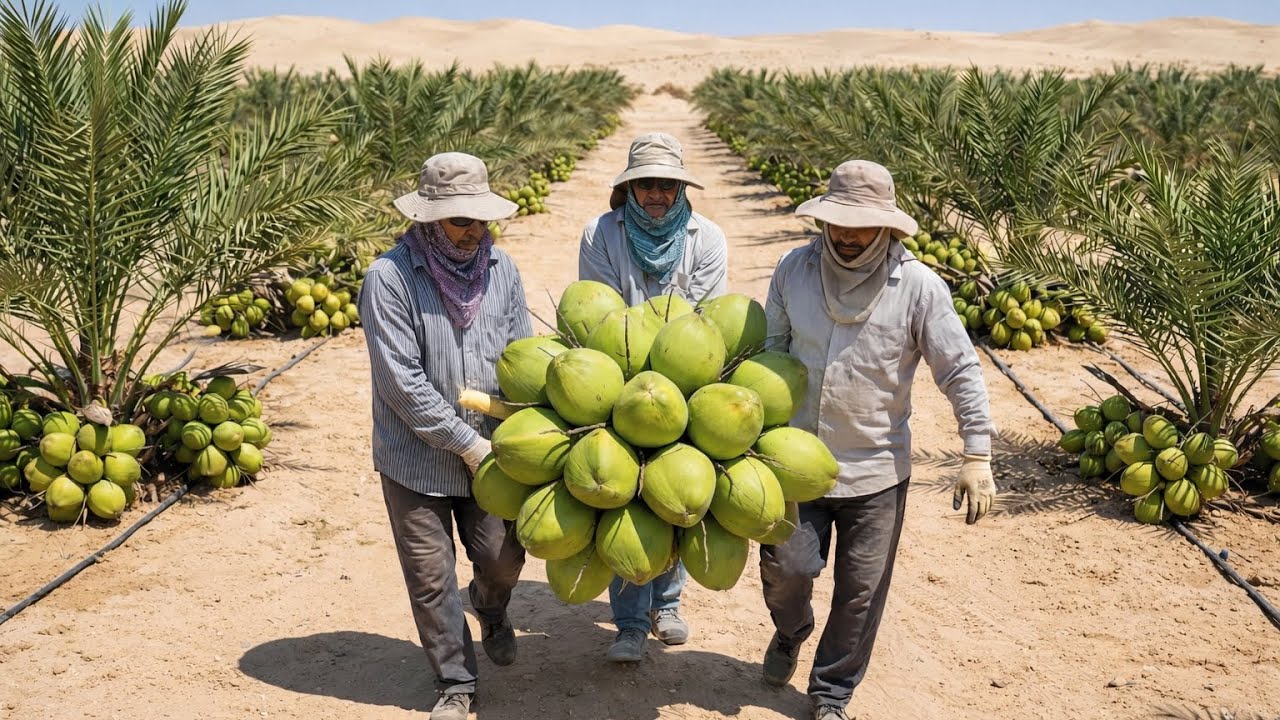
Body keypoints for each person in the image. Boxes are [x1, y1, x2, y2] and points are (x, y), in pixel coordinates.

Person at [757, 160, 997, 720]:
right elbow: (769, 349)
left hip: (876, 471)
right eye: (838, 222)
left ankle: (831, 695)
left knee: (860, 596)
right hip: (795, 458)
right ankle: (791, 631)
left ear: (888, 227)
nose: (846, 235)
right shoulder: (794, 269)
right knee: (785, 572)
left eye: (861, 225)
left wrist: (977, 452)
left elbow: (959, 368)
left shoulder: (917, 287)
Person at [359, 151, 531, 720]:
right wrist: (466, 443)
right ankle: (456, 683)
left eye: (480, 217)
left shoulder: (502, 271)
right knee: (432, 579)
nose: (473, 229)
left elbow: (520, 354)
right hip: (415, 457)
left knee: (503, 557)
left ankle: (490, 604)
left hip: (493, 454)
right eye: (461, 220)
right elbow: (401, 382)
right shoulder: (389, 278)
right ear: (431, 220)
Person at [577, 131, 729, 663]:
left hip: (685, 380)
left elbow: (707, 321)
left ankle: (667, 603)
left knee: (676, 492)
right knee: (622, 496)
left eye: (668, 185)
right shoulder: (600, 234)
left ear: (681, 188)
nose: (658, 195)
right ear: (630, 188)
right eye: (648, 186)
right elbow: (598, 311)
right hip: (617, 377)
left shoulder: (706, 237)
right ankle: (629, 623)